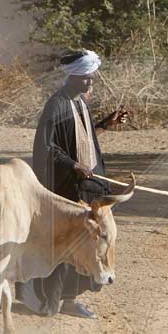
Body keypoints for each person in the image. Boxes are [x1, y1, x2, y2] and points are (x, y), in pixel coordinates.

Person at [18, 50, 129, 319]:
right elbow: (46, 147)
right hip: (67, 190)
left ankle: (67, 300)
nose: (91, 83)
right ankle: (52, 301)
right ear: (73, 77)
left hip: (88, 189)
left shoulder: (79, 102)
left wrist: (105, 124)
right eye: (86, 78)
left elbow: (84, 140)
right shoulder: (56, 105)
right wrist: (73, 165)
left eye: (92, 78)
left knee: (89, 246)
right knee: (67, 247)